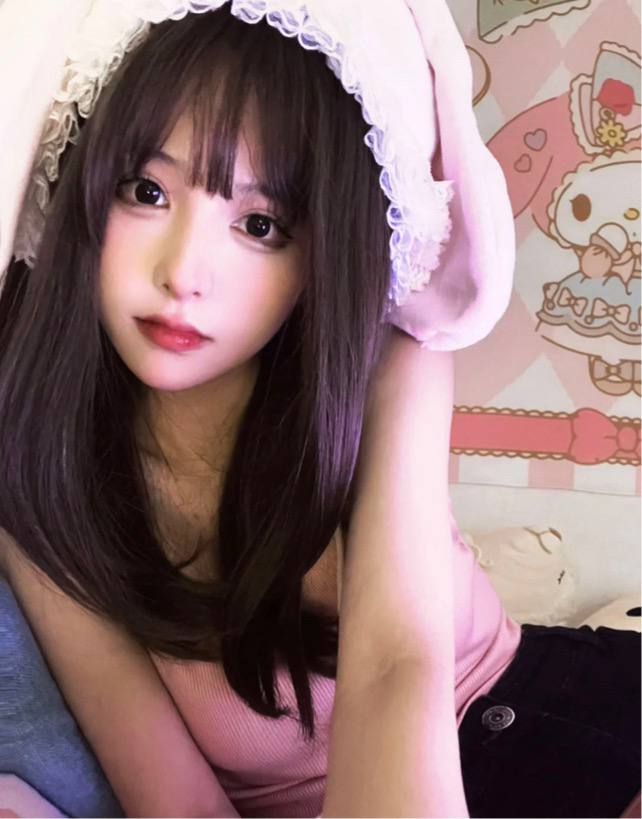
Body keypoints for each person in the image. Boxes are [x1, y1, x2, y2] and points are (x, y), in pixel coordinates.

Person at [0, 2, 639, 818]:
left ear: (321, 249)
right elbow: (175, 802)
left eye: (260, 224)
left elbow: (397, 664)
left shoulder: (391, 362)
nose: (184, 273)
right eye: (147, 190)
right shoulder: (39, 473)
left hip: (554, 707)